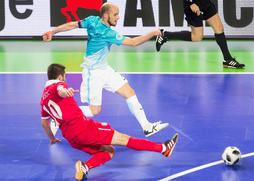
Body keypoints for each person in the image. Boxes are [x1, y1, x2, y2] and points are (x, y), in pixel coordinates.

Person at [42, 2, 168, 137]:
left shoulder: (92, 20)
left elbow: (72, 24)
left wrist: (53, 31)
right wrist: (154, 33)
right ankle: (59, 116)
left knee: (129, 92)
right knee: (94, 111)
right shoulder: (108, 33)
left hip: (104, 69)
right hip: (93, 72)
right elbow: (133, 42)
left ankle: (147, 126)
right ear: (106, 15)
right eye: (115, 15)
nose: (118, 17)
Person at [40, 63, 179, 181]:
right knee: (125, 139)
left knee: (109, 151)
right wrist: (66, 91)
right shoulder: (58, 85)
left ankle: (85, 167)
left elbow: (45, 123)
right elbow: (60, 90)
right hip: (84, 128)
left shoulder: (43, 100)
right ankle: (164, 149)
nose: (65, 79)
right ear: (60, 76)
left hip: (70, 137)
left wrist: (52, 138)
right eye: (65, 76)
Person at [155, 0, 245, 69]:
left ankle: (227, 59)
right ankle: (165, 35)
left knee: (219, 28)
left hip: (205, 3)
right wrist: (190, 2)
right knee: (197, 37)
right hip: (193, 5)